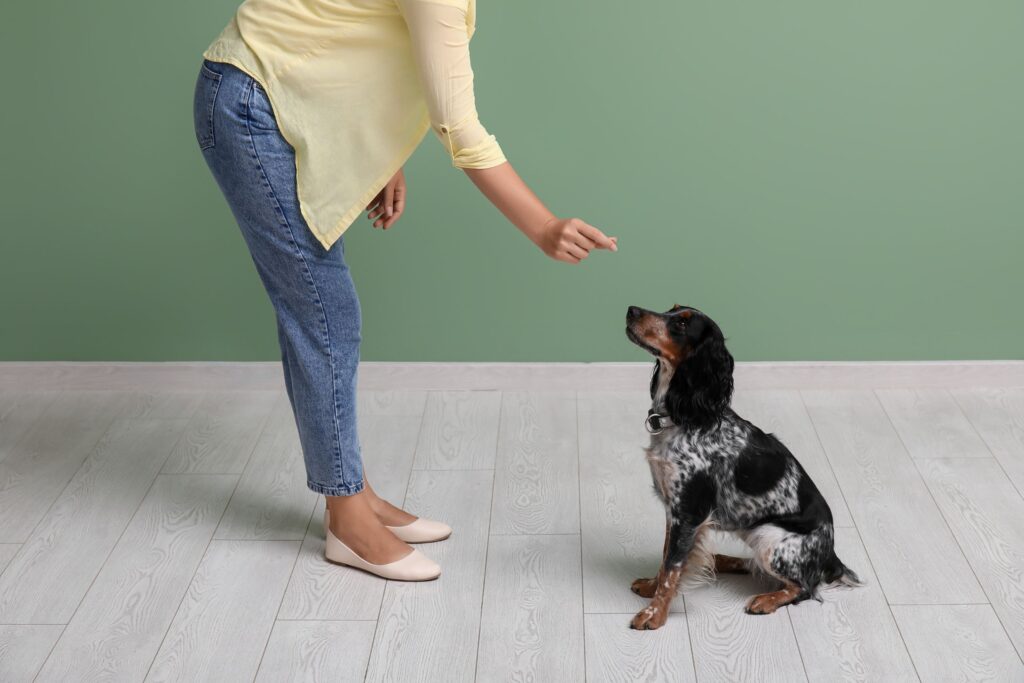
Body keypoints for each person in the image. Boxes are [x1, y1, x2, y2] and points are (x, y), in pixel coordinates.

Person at [194, 0, 617, 581]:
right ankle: (346, 516)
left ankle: (356, 493)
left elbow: (360, 32)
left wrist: (381, 154)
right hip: (251, 104)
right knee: (322, 311)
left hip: (279, 93)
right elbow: (457, 125)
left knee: (321, 308)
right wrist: (543, 225)